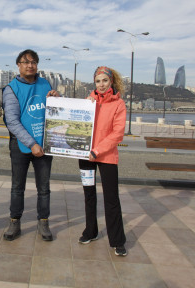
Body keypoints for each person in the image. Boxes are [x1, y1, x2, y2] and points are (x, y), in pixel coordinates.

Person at [2, 49, 59, 241]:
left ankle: (43, 221)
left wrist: (56, 98)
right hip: (21, 146)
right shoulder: (11, 88)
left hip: (44, 144)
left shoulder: (45, 84)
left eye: (33, 62)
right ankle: (14, 221)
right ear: (18, 65)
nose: (30, 65)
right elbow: (12, 121)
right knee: (17, 187)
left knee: (44, 188)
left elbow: (53, 111)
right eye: (25, 62)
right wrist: (32, 143)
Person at [78, 66, 127, 256]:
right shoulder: (88, 101)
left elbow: (117, 134)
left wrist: (98, 150)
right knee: (89, 194)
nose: (101, 84)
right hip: (86, 157)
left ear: (111, 82)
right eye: (98, 81)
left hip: (106, 157)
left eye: (105, 81)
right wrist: (85, 106)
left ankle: (117, 240)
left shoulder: (118, 104)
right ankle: (91, 231)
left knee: (111, 198)